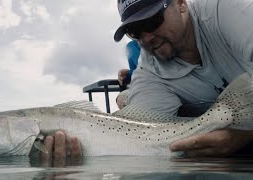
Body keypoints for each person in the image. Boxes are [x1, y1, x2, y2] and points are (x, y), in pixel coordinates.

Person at [41, 0, 253, 161]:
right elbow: (136, 131)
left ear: (180, 3)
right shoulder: (148, 70)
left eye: (152, 21)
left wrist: (244, 134)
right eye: (135, 31)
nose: (146, 38)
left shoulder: (230, 10)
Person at [117, 40, 141, 109]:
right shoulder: (131, 46)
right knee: (122, 98)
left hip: (163, 85)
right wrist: (128, 73)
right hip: (141, 87)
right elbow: (135, 69)